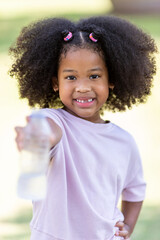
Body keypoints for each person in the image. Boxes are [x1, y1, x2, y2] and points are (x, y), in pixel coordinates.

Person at [9, 15, 157, 240]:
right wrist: (35, 137)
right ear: (56, 83)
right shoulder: (54, 121)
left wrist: (127, 227)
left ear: (112, 79)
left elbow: (135, 191)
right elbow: (48, 132)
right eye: (71, 77)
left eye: (94, 76)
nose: (83, 87)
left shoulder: (124, 141)